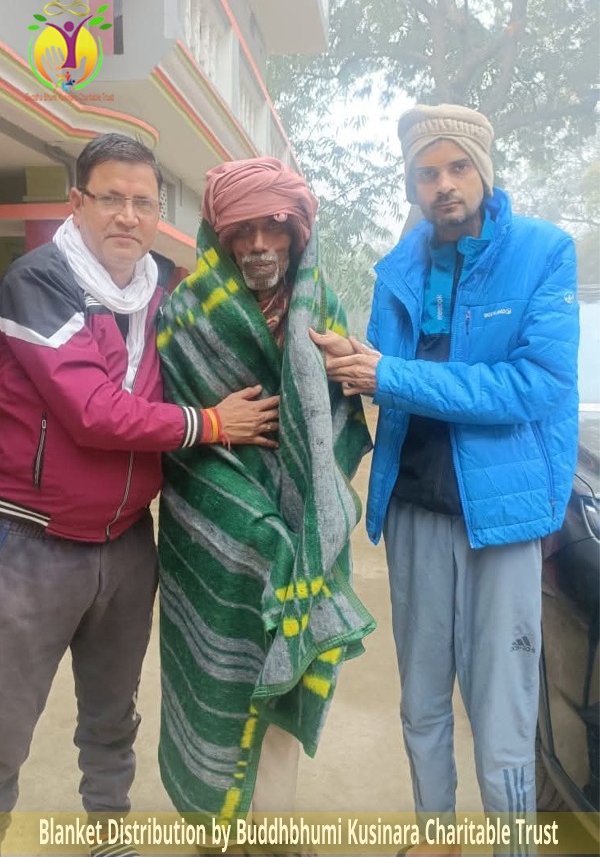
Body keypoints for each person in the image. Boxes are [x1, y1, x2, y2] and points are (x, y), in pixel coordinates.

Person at [0, 134, 279, 851]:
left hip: (126, 542)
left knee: (112, 710)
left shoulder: (158, 286)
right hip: (34, 545)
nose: (126, 216)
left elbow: (213, 346)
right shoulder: (38, 281)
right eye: (110, 199)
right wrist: (213, 423)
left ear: (158, 212)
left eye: (142, 202)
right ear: (78, 203)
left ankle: (109, 833)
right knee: (5, 719)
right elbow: (92, 412)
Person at [310, 104, 579, 838]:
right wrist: (328, 364)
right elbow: (379, 381)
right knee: (422, 699)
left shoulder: (543, 252)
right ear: (412, 185)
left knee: (503, 710)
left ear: (484, 172)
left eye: (458, 167)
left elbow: (537, 386)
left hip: (503, 518)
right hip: (415, 512)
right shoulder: (399, 270)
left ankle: (511, 845)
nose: (444, 185)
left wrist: (391, 375)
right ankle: (436, 838)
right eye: (427, 173)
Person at [157, 157, 375, 823]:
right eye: (241, 231)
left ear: (297, 232)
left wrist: (345, 374)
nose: (257, 245)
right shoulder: (185, 314)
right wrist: (251, 523)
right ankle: (216, 824)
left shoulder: (325, 307)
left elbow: (337, 425)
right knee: (214, 674)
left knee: (285, 680)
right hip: (215, 537)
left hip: (303, 526)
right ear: (219, 237)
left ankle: (272, 824)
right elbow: (178, 442)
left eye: (273, 229)